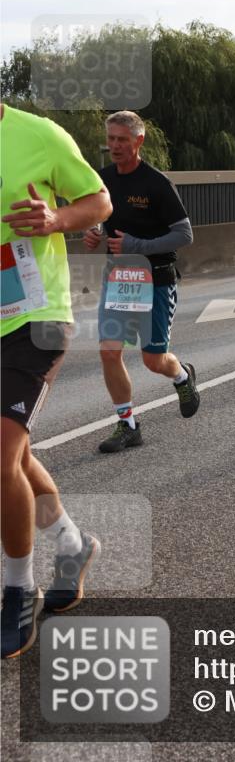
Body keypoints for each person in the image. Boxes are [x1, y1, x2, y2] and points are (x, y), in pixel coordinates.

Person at [1, 104, 112, 658]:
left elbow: (98, 201)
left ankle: (18, 588)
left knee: (0, 456)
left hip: (35, 317)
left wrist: (54, 221)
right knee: (14, 457)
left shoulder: (37, 134)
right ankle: (72, 546)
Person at [84, 111, 200, 453]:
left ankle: (180, 375)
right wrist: (92, 233)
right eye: (111, 139)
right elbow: (96, 218)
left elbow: (185, 234)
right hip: (119, 277)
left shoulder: (157, 183)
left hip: (156, 278)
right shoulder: (102, 180)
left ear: (139, 141)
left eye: (123, 139)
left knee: (153, 360)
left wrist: (138, 246)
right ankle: (128, 424)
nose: (116, 145)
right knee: (109, 351)